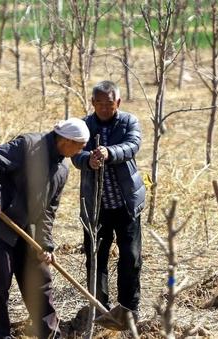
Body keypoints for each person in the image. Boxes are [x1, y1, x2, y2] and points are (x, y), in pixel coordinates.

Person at [0, 118, 90, 339]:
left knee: (41, 282)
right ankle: (0, 335)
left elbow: (49, 211)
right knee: (1, 281)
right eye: (80, 144)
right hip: (1, 224)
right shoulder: (29, 145)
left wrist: (46, 244)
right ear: (66, 140)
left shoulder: (62, 170)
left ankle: (50, 334)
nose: (82, 149)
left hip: (28, 230)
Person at [72, 80, 146, 321]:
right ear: (92, 103)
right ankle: (99, 307)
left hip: (126, 204)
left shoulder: (128, 122)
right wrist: (87, 161)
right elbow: (74, 152)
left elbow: (133, 145)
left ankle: (128, 309)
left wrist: (109, 152)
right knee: (95, 257)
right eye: (100, 104)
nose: (105, 108)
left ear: (118, 103)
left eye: (110, 104)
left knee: (131, 256)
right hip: (96, 208)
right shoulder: (83, 125)